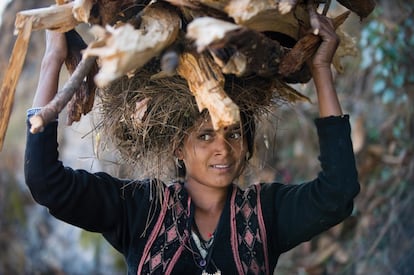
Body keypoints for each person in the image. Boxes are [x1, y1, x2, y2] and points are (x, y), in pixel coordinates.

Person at [25, 14, 359, 275]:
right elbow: (46, 182)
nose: (223, 148)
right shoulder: (140, 210)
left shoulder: (265, 215)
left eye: (233, 133)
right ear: (177, 146)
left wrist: (320, 69)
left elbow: (338, 193)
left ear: (248, 143)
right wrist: (51, 60)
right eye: (204, 135)